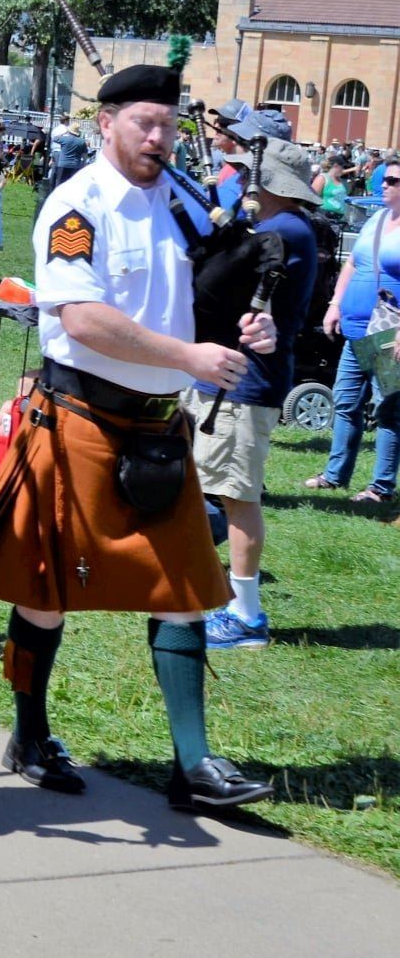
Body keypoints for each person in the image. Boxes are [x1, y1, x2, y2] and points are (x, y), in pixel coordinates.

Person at [0, 63, 279, 812]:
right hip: (81, 421)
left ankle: (192, 766)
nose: (157, 139)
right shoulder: (76, 205)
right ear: (106, 123)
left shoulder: (186, 208)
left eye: (165, 125)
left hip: (158, 429)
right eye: (143, 124)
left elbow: (198, 297)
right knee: (45, 594)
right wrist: (187, 357)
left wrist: (241, 327)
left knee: (186, 589)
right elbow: (80, 318)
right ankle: (28, 734)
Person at [187, 130, 321, 649]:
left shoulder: (288, 229)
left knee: (237, 497)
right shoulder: (276, 226)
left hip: (245, 385)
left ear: (269, 183)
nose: (240, 177)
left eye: (248, 173)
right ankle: (201, 579)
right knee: (210, 486)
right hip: (224, 375)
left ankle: (246, 618)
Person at [307, 165, 400, 503]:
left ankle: (381, 488)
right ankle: (335, 476)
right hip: (357, 327)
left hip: (388, 328)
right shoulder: (377, 220)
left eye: (393, 180)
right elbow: (353, 264)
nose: (385, 184)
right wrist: (335, 304)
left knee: (387, 408)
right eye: (384, 179)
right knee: (346, 401)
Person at [49, 114, 88, 187]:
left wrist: (65, 132)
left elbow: (55, 138)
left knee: (59, 184)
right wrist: (83, 164)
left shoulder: (65, 139)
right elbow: (85, 154)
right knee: (71, 185)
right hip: (75, 165)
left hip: (63, 164)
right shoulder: (82, 141)